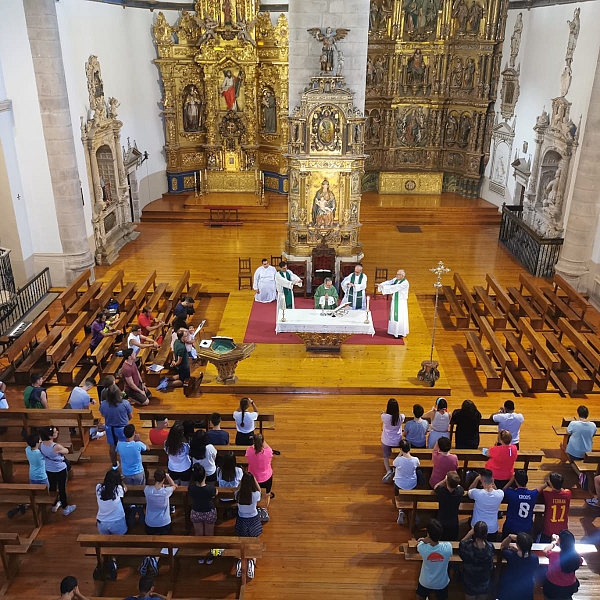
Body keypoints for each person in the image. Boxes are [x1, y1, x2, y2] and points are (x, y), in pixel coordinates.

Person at [141, 469, 177, 579]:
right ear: (163, 479)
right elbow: (174, 485)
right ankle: (155, 559)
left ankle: (151, 557)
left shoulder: (147, 490)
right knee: (163, 541)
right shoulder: (166, 491)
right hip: (163, 522)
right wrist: (168, 476)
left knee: (152, 541)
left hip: (150, 522)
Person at [95, 468, 128, 571]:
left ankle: (105, 560)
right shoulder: (118, 489)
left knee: (105, 541)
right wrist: (122, 481)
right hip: (117, 521)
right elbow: (125, 489)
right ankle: (113, 560)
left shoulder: (98, 488)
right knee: (118, 541)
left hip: (102, 522)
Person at [40, 426, 76, 515]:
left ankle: (54, 504)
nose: (57, 433)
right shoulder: (56, 446)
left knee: (52, 486)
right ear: (50, 436)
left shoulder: (41, 444)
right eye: (55, 432)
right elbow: (66, 451)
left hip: (48, 468)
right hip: (59, 469)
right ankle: (65, 507)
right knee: (62, 488)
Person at [235, 472, 263, 579]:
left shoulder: (238, 495)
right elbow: (259, 491)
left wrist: (241, 483)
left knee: (243, 541)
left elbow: (237, 489)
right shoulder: (255, 495)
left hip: (242, 519)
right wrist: (254, 480)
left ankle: (241, 561)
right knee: (253, 540)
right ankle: (252, 561)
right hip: (253, 520)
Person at [188, 463, 218, 562]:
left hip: (196, 511)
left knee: (198, 534)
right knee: (210, 534)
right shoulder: (210, 488)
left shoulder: (191, 488)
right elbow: (215, 493)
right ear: (205, 475)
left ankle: (200, 555)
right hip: (209, 511)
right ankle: (210, 554)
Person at [416, 519, 452, 600]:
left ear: (428, 534)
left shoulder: (422, 548)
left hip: (426, 581)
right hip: (441, 582)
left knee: (419, 597)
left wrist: (425, 539)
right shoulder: (448, 547)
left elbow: (420, 542)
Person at [458, 521, 495, 600]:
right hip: (484, 582)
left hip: (469, 581)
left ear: (474, 532)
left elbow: (461, 543)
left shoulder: (467, 547)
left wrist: (469, 533)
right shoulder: (490, 547)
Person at [100, 383, 133, 466]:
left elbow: (103, 415)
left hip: (110, 428)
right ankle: (126, 463)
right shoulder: (125, 403)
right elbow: (130, 416)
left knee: (112, 446)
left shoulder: (103, 404)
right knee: (126, 446)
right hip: (123, 428)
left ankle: (114, 464)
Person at [498, 532, 539, 600]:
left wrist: (510, 536)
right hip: (526, 588)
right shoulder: (534, 558)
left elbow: (503, 546)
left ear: (518, 545)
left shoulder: (511, 555)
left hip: (510, 587)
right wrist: (518, 550)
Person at [543, 530, 582, 600]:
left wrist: (553, 542)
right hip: (569, 587)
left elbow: (545, 550)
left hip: (553, 587)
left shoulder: (554, 555)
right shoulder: (576, 556)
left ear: (560, 542)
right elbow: (580, 562)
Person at [467, 469, 503, 541]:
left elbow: (469, 490)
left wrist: (476, 479)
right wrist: (493, 483)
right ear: (492, 479)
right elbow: (496, 490)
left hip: (477, 528)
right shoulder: (500, 494)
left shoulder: (477, 493)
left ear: (481, 479)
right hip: (492, 528)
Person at [502, 470, 538, 537]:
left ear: (515, 481)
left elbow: (504, 490)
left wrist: (511, 480)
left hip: (511, 527)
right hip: (526, 528)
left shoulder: (511, 493)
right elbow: (538, 490)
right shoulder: (533, 494)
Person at [538, 472, 571, 543]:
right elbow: (563, 490)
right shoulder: (568, 493)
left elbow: (537, 491)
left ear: (551, 484)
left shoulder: (547, 494)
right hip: (562, 530)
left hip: (548, 530)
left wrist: (546, 484)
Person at [393, 440, 420, 526]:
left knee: (396, 490)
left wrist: (400, 453)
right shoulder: (415, 460)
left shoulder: (399, 460)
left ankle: (401, 510)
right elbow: (418, 465)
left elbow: (394, 463)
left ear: (401, 449)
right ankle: (410, 508)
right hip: (412, 484)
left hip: (400, 484)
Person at [246, 434, 274, 516]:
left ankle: (256, 507)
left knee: (254, 492)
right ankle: (265, 509)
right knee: (267, 494)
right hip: (266, 477)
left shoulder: (249, 451)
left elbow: (248, 457)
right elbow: (268, 448)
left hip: (253, 477)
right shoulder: (268, 451)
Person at [377, 269, 409, 338]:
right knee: (393, 316)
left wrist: (383, 287)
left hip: (401, 302)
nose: (396, 275)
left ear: (402, 276)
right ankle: (393, 331)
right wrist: (381, 284)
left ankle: (400, 332)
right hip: (395, 300)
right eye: (396, 274)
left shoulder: (405, 283)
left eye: (398, 274)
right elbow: (389, 282)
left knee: (399, 317)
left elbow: (395, 287)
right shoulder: (396, 280)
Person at [434, 471, 464, 541]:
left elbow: (436, 487)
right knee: (452, 540)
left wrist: (444, 481)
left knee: (441, 539)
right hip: (453, 522)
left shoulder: (441, 491)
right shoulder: (459, 492)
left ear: (446, 482)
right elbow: (460, 487)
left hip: (442, 520)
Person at [381, 398, 405, 483]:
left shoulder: (384, 417)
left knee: (385, 456)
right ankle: (395, 468)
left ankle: (388, 470)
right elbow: (402, 416)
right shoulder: (401, 417)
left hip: (386, 440)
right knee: (396, 455)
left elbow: (383, 415)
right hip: (397, 440)